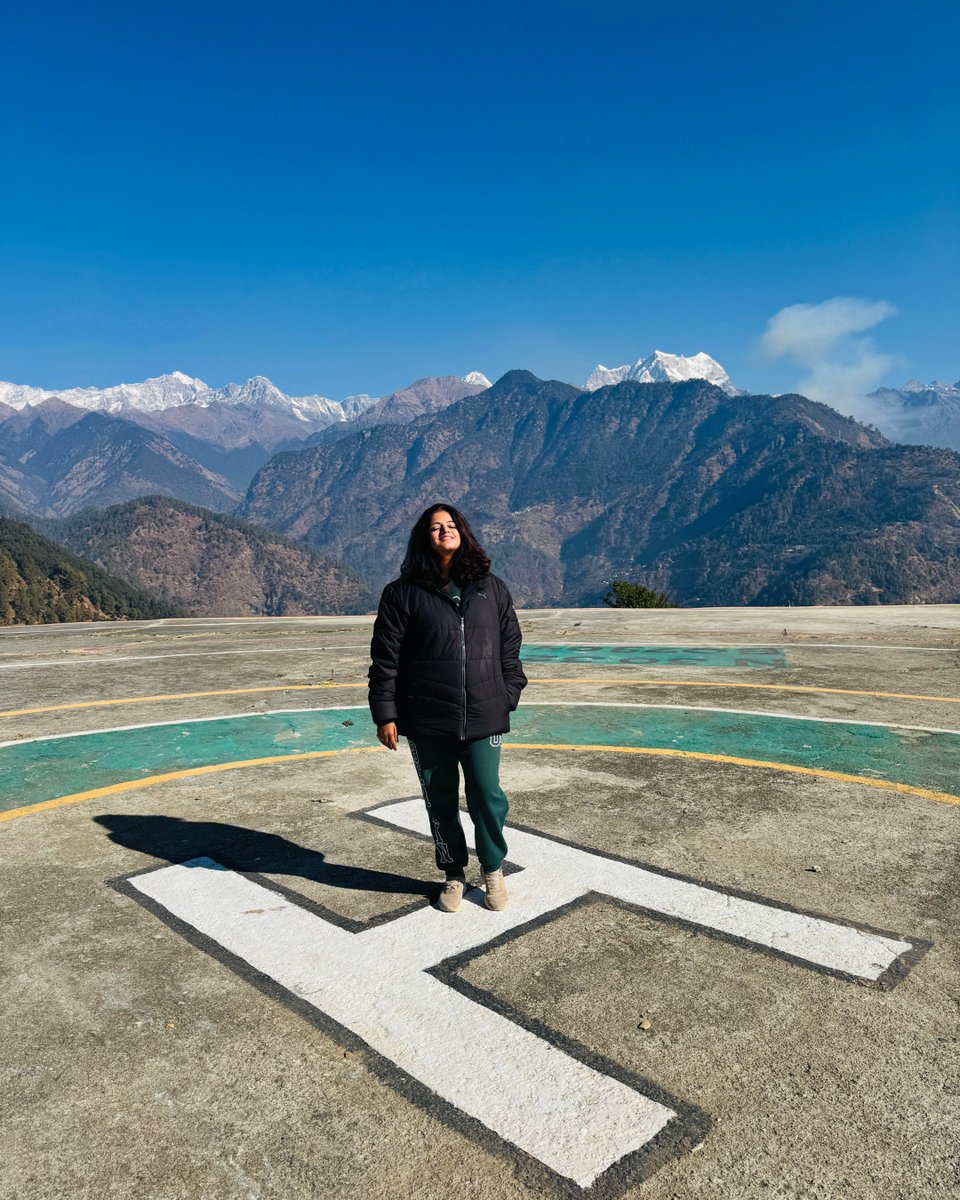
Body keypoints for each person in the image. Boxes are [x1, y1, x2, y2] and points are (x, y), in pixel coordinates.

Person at [368, 504, 527, 913]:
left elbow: (510, 647)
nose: (444, 531)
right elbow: (386, 659)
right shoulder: (402, 593)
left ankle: (492, 868)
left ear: (464, 533)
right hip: (426, 718)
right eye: (436, 527)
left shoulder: (491, 588)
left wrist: (508, 692)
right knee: (439, 800)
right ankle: (453, 873)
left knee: (487, 796)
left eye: (451, 525)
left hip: (484, 714)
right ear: (424, 538)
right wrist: (386, 713)